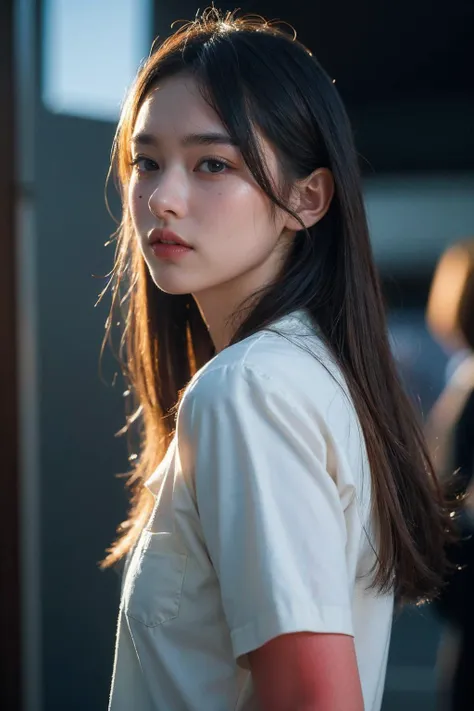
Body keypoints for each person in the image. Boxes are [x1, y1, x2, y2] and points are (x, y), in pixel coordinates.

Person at [100, 8, 453, 711]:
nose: (162, 198)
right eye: (147, 162)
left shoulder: (247, 389)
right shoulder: (307, 373)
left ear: (306, 197)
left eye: (212, 164)